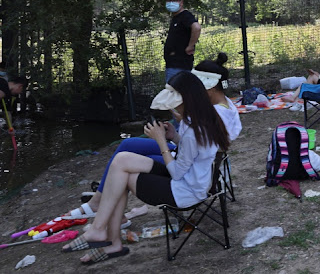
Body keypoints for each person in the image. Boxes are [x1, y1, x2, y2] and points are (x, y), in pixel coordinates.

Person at [62, 71, 229, 264]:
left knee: (121, 177)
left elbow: (176, 173)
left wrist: (161, 142)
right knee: (122, 160)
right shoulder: (203, 119)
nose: (173, 108)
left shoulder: (194, 129)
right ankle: (103, 233)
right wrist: (174, 137)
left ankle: (106, 235)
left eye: (175, 103)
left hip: (185, 191)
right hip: (192, 179)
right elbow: (195, 152)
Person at [64, 54, 240, 221]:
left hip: (190, 169)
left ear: (208, 88)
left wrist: (166, 137)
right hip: (192, 159)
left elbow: (195, 150)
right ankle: (103, 201)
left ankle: (102, 203)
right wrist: (176, 133)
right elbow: (201, 145)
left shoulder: (212, 114)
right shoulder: (219, 105)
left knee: (132, 158)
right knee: (129, 146)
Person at [164, 0, 201, 84]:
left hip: (179, 66)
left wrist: (190, 46)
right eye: (168, 0)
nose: (171, 3)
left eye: (174, 0)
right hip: (172, 65)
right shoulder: (176, 18)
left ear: (181, 2)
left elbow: (196, 28)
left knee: (174, 96)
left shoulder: (185, 16)